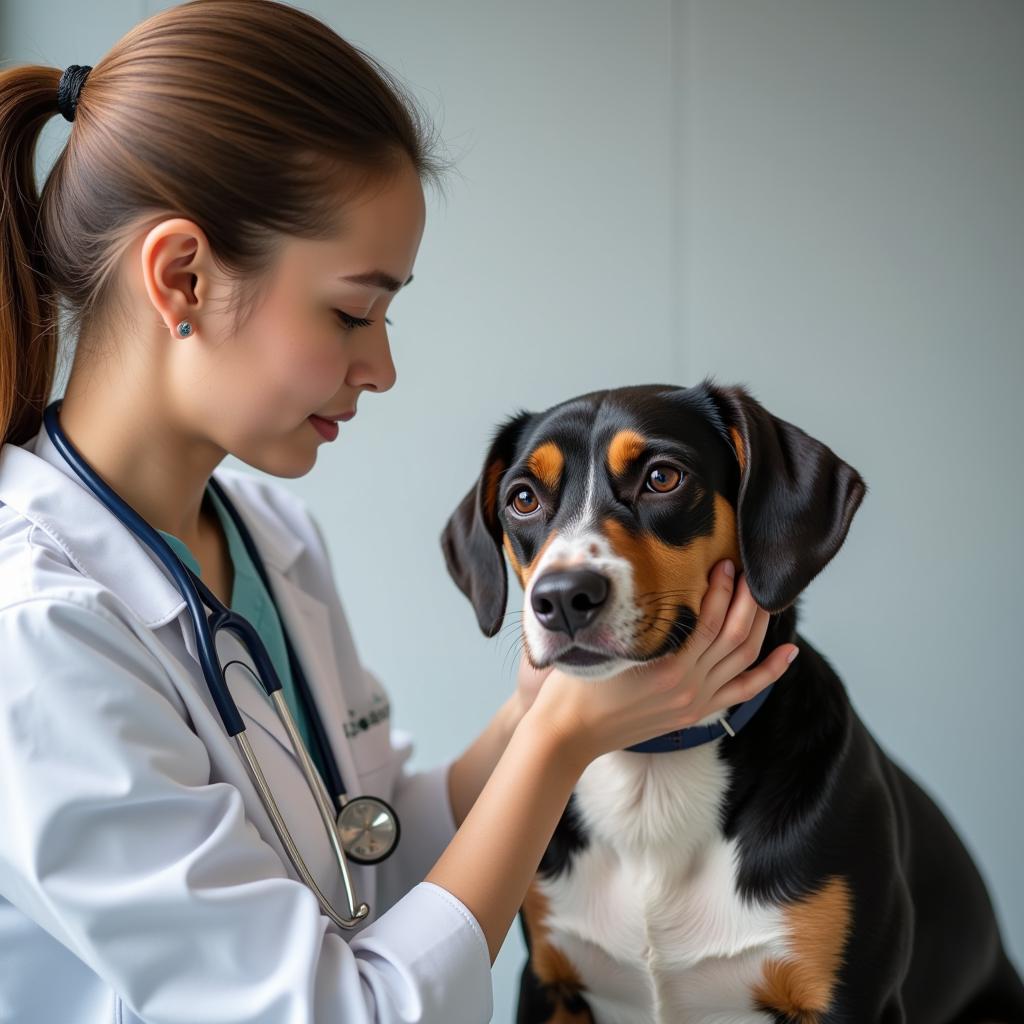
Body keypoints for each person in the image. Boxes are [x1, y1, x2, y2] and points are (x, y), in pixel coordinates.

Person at [0, 2, 797, 1021]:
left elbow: (362, 847)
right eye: (350, 311)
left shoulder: (266, 537)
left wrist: (529, 716)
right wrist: (557, 742)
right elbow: (335, 1009)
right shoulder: (37, 629)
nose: (381, 366)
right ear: (182, 277)